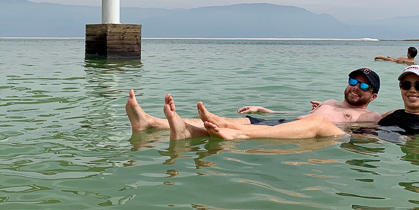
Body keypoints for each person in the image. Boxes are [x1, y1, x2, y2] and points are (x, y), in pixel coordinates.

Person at [189, 65, 419, 150]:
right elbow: (353, 121)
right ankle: (230, 129)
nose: (411, 90)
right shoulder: (388, 115)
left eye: (417, 86)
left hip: (379, 148)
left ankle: (239, 138)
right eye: (406, 85)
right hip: (361, 142)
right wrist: (265, 111)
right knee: (320, 122)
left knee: (321, 125)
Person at [125, 68, 384, 134]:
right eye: (353, 81)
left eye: (363, 86)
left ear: (372, 96)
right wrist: (264, 109)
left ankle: (159, 125)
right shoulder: (330, 101)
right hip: (283, 120)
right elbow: (299, 113)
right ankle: (151, 122)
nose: (355, 88)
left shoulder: (369, 116)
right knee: (224, 120)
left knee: (221, 125)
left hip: (290, 131)